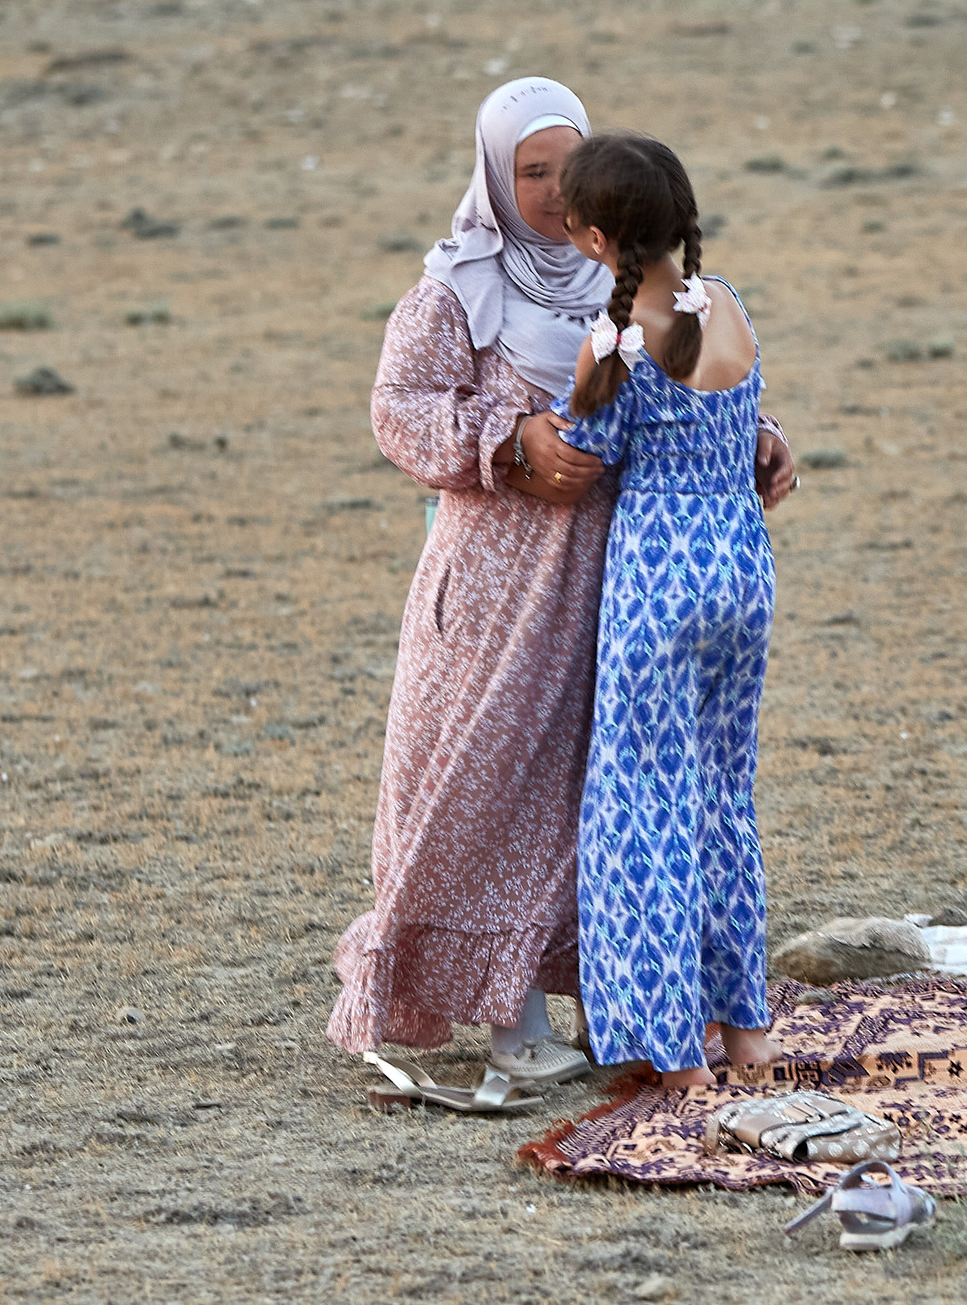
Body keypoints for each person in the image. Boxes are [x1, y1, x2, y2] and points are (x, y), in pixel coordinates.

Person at [326, 81, 795, 1086]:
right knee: (491, 783)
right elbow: (398, 410)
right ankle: (515, 1021)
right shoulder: (453, 290)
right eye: (528, 171)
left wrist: (758, 444)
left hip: (623, 578)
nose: (546, 191)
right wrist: (508, 440)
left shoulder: (621, 298)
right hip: (502, 584)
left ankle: (625, 1016)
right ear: (494, 174)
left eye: (562, 170)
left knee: (608, 793)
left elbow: (669, 402)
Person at [553, 131, 779, 1090]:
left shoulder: (615, 342)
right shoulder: (725, 304)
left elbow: (583, 449)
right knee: (724, 797)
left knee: (643, 806)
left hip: (658, 582)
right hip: (742, 573)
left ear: (599, 238)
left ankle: (670, 1049)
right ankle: (747, 1036)